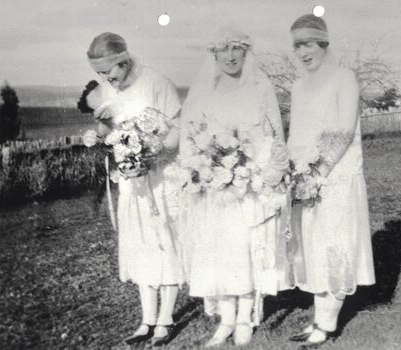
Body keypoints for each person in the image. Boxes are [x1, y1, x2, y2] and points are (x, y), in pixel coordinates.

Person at [178, 26, 287, 347]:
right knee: (218, 252)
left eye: (236, 49)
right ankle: (226, 318)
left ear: (245, 52)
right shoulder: (203, 94)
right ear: (213, 56)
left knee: (244, 249)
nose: (229, 56)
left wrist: (265, 169)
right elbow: (190, 139)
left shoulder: (260, 88)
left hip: (248, 183)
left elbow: (275, 137)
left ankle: (244, 318)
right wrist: (201, 170)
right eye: (222, 51)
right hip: (214, 188)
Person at [84, 32, 183, 347]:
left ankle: (165, 320)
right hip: (131, 183)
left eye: (108, 71)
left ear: (124, 61)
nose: (105, 79)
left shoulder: (157, 82)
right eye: (99, 74)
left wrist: (153, 155)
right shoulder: (107, 91)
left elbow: (179, 129)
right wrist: (95, 134)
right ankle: (146, 321)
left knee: (164, 242)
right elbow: (108, 126)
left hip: (161, 178)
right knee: (140, 246)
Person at [286, 14, 376, 348]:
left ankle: (326, 325)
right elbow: (296, 135)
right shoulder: (297, 86)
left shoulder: (344, 78)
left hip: (335, 176)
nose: (302, 52)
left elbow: (344, 129)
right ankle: (318, 320)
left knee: (336, 244)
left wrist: (319, 172)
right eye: (296, 45)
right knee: (315, 246)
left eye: (307, 44)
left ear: (323, 42)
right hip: (306, 177)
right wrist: (296, 172)